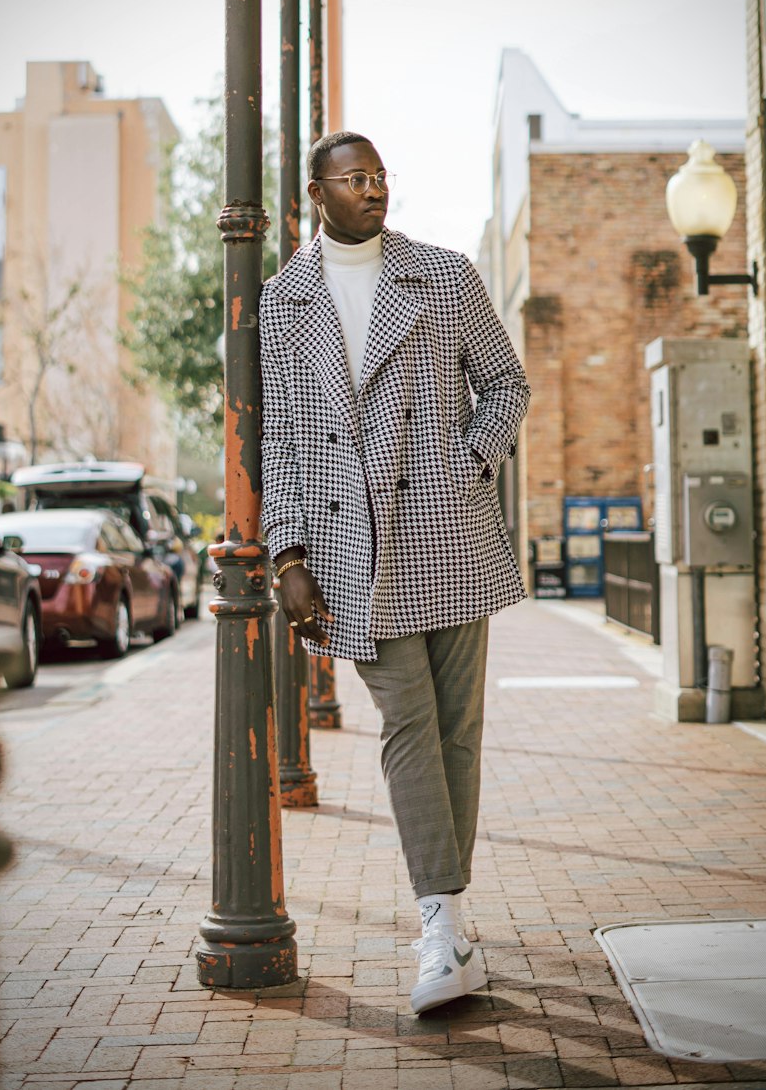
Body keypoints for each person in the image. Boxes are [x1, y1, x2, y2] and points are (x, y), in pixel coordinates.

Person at [259, 131, 530, 1013]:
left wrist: (467, 463)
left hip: (446, 531)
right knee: (407, 726)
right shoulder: (284, 301)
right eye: (356, 178)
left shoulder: (443, 274)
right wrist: (288, 552)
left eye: (381, 176)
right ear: (317, 193)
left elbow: (507, 385)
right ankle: (441, 926)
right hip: (351, 548)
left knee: (458, 729)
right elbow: (282, 443)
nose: (374, 190)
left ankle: (449, 920)